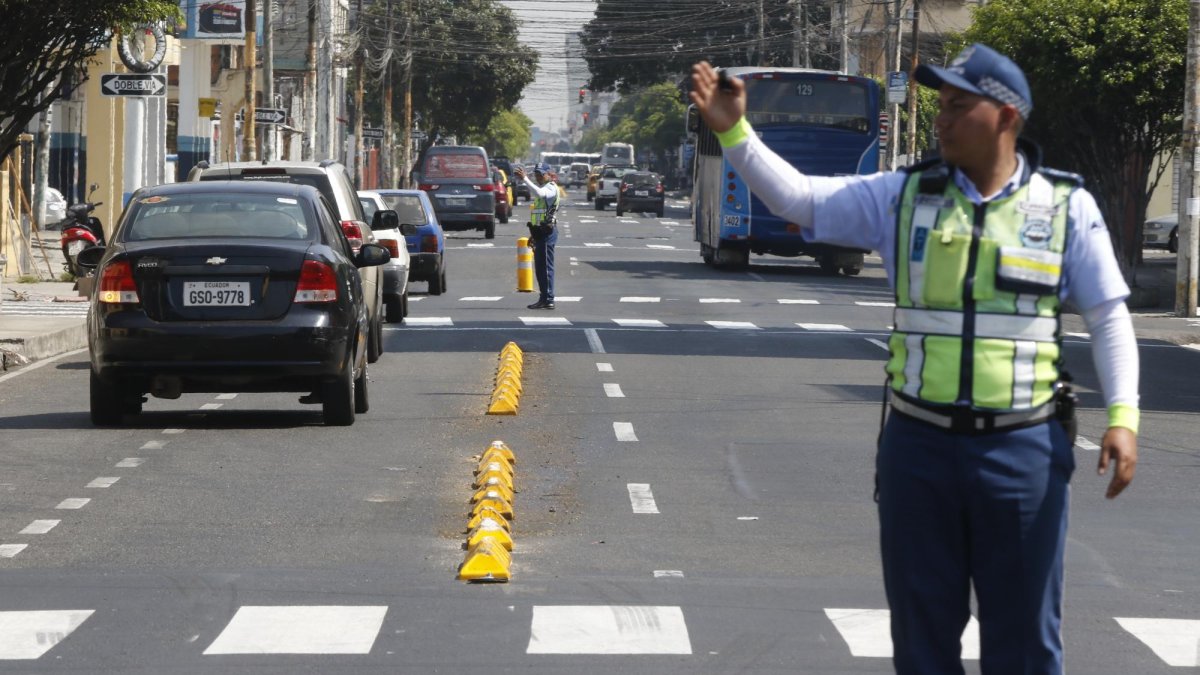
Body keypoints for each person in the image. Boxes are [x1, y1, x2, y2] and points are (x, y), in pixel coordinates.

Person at [690, 44, 1139, 675]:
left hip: (1023, 450)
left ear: (1007, 117)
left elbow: (1108, 315)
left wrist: (1123, 417)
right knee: (922, 643)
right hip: (918, 450)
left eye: (959, 105)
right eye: (941, 105)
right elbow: (800, 200)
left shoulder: (1066, 207)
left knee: (1026, 643)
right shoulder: (903, 196)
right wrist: (734, 129)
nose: (942, 118)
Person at [515, 163, 560, 309]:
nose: (539, 176)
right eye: (537, 174)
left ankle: (549, 298)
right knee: (540, 268)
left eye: (541, 174)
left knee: (546, 267)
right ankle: (543, 298)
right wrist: (533, 235)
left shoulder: (551, 187)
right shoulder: (543, 188)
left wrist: (525, 179)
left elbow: (540, 193)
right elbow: (538, 214)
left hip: (548, 232)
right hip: (540, 232)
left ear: (548, 174)